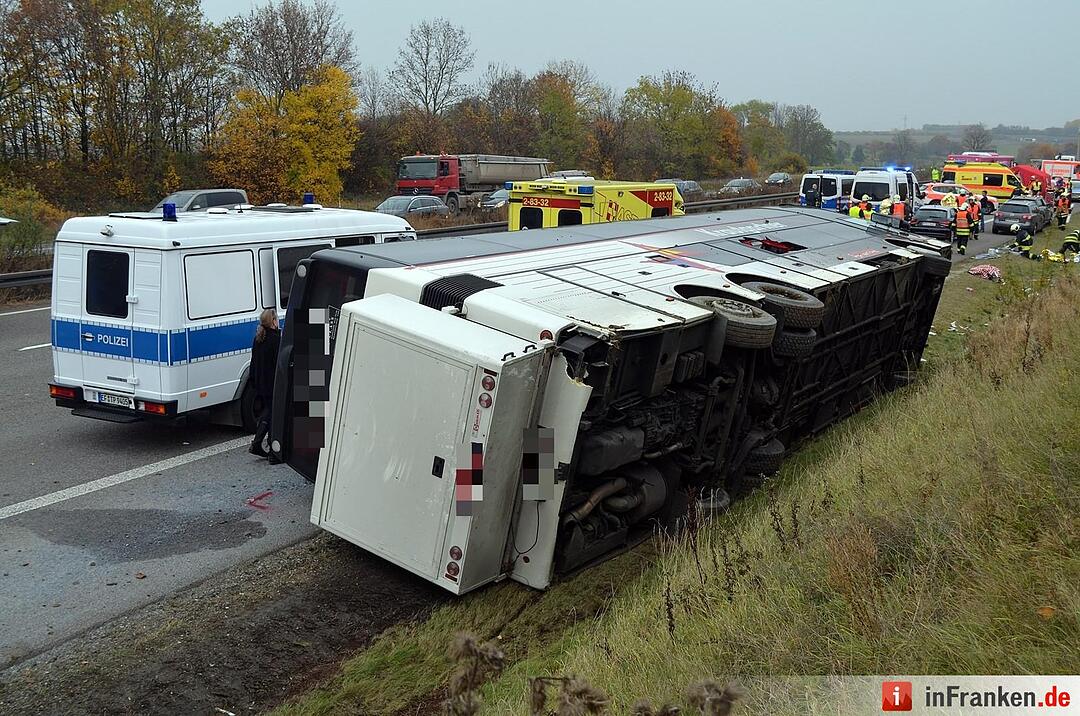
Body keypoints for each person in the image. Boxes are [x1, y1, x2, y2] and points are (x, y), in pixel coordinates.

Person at [249, 308, 281, 459]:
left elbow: (253, 361)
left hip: (260, 382)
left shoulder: (258, 338)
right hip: (272, 382)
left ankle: (260, 442)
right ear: (273, 321)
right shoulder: (275, 339)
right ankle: (267, 446)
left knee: (268, 410)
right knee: (272, 412)